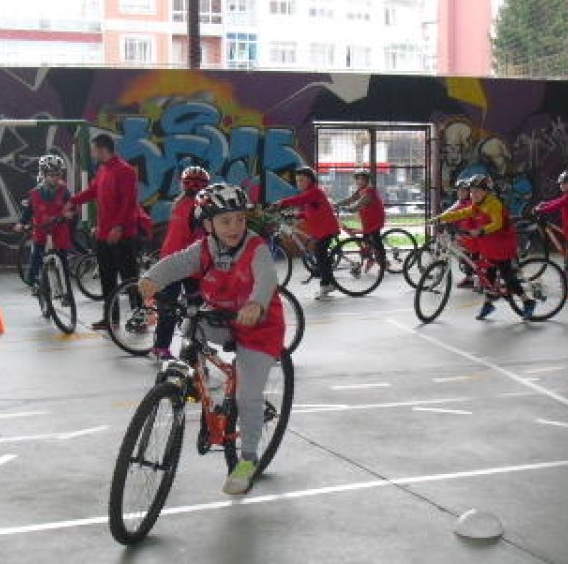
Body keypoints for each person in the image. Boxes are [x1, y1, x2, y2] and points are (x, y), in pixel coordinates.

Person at [137, 183, 284, 496]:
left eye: (240, 220)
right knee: (191, 329)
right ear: (208, 225)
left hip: (259, 327)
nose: (234, 227)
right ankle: (196, 384)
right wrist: (152, 278)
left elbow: (267, 277)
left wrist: (257, 303)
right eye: (225, 221)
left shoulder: (255, 248)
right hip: (220, 318)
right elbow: (177, 263)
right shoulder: (204, 248)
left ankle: (247, 461)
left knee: (248, 396)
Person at [433, 175, 535, 320]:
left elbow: (497, 223)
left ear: (486, 191)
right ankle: (488, 304)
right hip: (489, 244)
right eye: (471, 191)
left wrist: (481, 230)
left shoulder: (493, 204)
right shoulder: (477, 204)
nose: (472, 194)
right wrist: (439, 218)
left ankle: (528, 301)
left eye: (476, 191)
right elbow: (462, 212)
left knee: (507, 275)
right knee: (489, 276)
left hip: (502, 244)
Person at [71, 134, 141, 331]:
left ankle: (140, 316)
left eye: (94, 150)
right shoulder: (103, 170)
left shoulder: (125, 171)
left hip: (122, 235)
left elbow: (129, 202)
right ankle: (111, 317)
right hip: (103, 235)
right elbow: (92, 192)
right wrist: (73, 201)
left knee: (129, 278)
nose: (92, 153)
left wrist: (118, 227)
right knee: (107, 277)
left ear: (103, 149)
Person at [149, 166, 211, 360]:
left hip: (172, 258)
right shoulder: (196, 207)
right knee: (190, 307)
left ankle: (171, 345)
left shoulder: (179, 202)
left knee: (176, 304)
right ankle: (172, 348)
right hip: (183, 262)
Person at [274, 166, 342, 300]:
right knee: (320, 255)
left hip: (326, 229)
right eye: (297, 181)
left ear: (310, 180)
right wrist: (298, 215)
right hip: (320, 229)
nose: (299, 183)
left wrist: (281, 203)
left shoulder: (314, 192)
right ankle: (327, 280)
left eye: (302, 180)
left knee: (320, 255)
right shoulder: (310, 194)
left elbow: (299, 199)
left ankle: (327, 284)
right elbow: (311, 211)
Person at [14, 155, 74, 290]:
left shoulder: (64, 192)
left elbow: (71, 205)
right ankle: (32, 280)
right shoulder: (34, 193)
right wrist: (21, 223)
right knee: (36, 255)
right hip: (41, 229)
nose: (56, 178)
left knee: (63, 257)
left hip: (59, 229)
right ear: (44, 175)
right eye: (52, 175)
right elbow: (28, 211)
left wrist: (70, 213)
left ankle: (66, 286)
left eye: (58, 174)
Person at [334, 168, 385, 271]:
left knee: (376, 240)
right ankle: (370, 259)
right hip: (367, 220)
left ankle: (383, 262)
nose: (360, 181)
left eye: (363, 179)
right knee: (366, 242)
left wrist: (344, 208)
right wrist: (336, 204)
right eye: (358, 179)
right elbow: (350, 199)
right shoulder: (360, 191)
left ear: (367, 180)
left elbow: (356, 207)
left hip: (375, 220)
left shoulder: (370, 192)